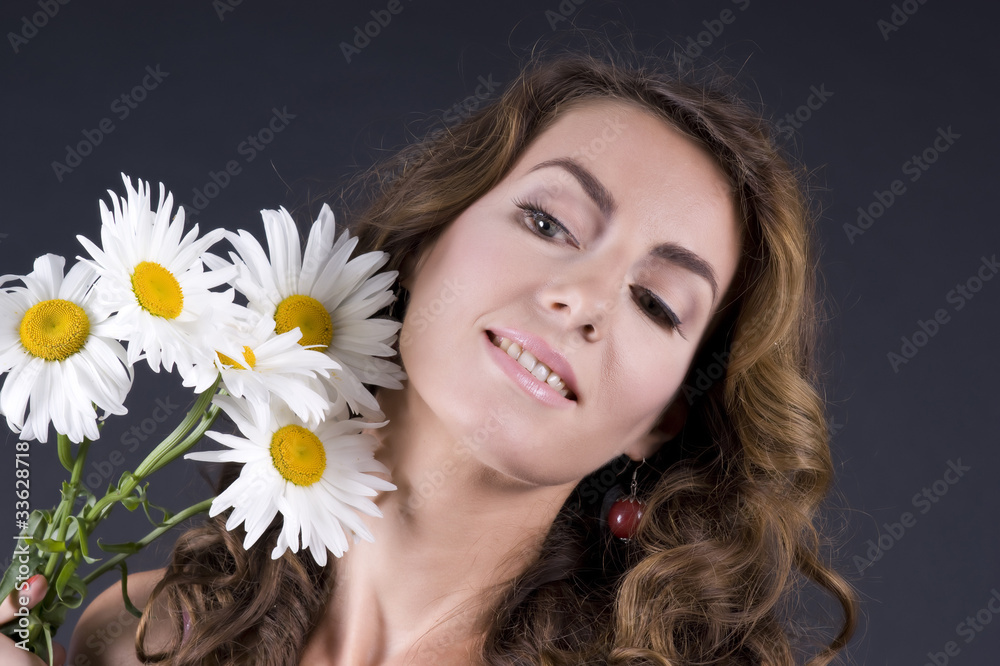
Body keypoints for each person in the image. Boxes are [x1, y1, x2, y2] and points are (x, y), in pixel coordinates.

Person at [29, 45, 856, 665]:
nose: (584, 299)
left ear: (665, 418)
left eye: (656, 303)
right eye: (549, 222)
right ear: (428, 239)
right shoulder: (140, 634)